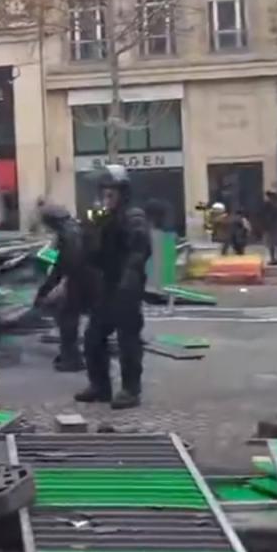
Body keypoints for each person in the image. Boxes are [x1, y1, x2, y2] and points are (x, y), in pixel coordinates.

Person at [77, 165, 151, 410]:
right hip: (107, 285)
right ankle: (100, 386)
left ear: (122, 193)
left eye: (111, 193)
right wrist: (92, 229)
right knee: (93, 338)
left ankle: (130, 390)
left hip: (127, 287)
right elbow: (94, 255)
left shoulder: (134, 216)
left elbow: (139, 250)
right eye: (104, 192)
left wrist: (129, 280)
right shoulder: (104, 218)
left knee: (128, 340)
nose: (106, 197)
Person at [33, 204, 99, 373]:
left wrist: (63, 284)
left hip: (79, 280)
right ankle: (71, 355)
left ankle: (72, 359)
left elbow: (71, 262)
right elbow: (58, 261)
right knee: (68, 318)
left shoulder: (70, 233)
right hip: (81, 279)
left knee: (68, 319)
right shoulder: (70, 230)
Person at [261, 190, 277, 265]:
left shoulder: (271, 205)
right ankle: (275, 258)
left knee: (272, 243)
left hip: (272, 227)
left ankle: (274, 258)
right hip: (275, 226)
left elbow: (267, 217)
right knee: (273, 243)